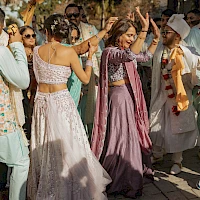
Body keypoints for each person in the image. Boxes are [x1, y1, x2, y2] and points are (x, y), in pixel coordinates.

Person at [27, 14, 116, 199]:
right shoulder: (69, 52)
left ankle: (49, 187)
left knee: (45, 145)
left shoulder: (36, 51)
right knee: (69, 145)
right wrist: (90, 57)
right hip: (61, 102)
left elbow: (35, 79)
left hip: (42, 102)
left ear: (46, 31)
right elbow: (84, 78)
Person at [91, 7, 160, 199]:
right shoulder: (110, 52)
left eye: (133, 36)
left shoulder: (123, 51)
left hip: (129, 96)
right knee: (122, 138)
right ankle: (121, 179)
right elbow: (129, 56)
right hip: (119, 98)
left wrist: (155, 39)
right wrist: (144, 32)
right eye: (129, 35)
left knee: (130, 137)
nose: (131, 39)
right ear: (119, 34)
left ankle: (130, 177)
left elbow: (144, 57)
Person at [150, 14, 200, 175]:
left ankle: (177, 162)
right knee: (156, 125)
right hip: (161, 95)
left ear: (178, 35)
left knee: (177, 130)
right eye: (163, 32)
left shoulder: (188, 52)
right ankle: (157, 155)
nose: (164, 35)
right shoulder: (160, 51)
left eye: (167, 33)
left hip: (179, 98)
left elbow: (195, 75)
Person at [0, 14, 30, 200]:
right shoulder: (2, 52)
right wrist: (18, 46)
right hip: (2, 121)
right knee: (21, 162)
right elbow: (23, 80)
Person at [65, 3, 104, 137]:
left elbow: (99, 54)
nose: (73, 18)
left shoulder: (90, 29)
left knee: (89, 110)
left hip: (89, 75)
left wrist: (100, 75)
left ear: (80, 15)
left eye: (75, 14)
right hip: (69, 78)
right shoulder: (62, 31)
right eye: (69, 15)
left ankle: (91, 143)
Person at [20, 25, 37, 139]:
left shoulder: (38, 52)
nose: (31, 38)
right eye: (27, 36)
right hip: (23, 90)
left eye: (33, 35)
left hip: (36, 90)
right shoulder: (18, 54)